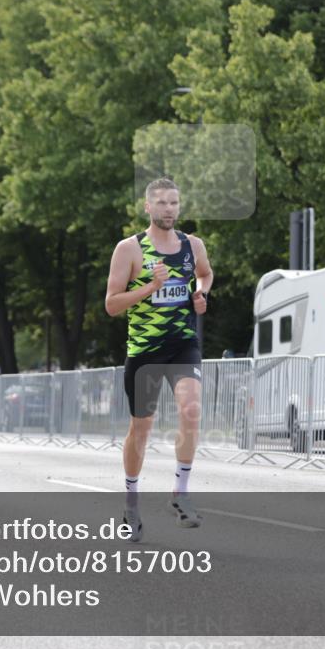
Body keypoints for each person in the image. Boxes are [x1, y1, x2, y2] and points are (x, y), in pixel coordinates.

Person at [104, 177, 213, 541]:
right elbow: (111, 305)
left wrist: (200, 295)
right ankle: (131, 505)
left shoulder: (192, 245)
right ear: (148, 207)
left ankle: (180, 494)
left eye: (174, 203)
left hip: (183, 344)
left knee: (191, 408)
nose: (169, 209)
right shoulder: (129, 250)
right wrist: (150, 287)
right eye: (162, 203)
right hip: (145, 352)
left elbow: (205, 275)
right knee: (140, 431)